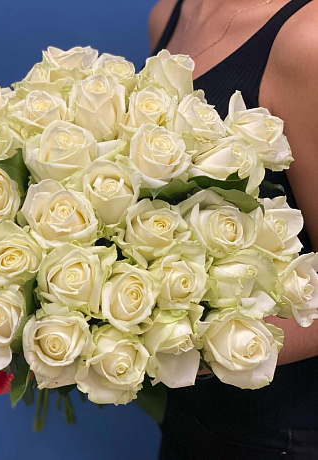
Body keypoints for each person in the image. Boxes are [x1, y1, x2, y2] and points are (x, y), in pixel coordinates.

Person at [148, 1, 318, 458]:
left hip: (281, 434)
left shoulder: (308, 37)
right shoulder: (169, 14)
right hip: (190, 418)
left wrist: (156, 345)